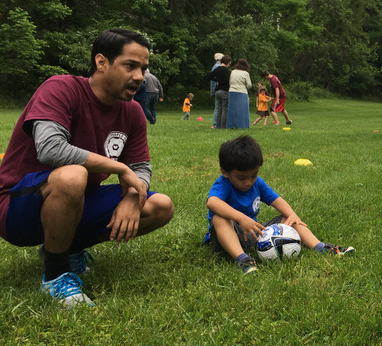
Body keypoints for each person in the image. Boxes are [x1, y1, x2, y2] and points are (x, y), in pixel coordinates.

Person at [0, 29, 175, 308]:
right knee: (73, 175)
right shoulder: (61, 87)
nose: (139, 77)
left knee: (160, 206)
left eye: (143, 68)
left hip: (76, 200)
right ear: (101, 62)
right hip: (17, 206)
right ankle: (55, 276)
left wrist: (133, 195)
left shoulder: (132, 111)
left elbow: (140, 166)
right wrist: (118, 169)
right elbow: (51, 149)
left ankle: (67, 249)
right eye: (130, 66)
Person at [204, 135, 354, 274]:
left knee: (288, 218)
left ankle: (320, 247)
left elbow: (277, 200)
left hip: (252, 234)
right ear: (225, 172)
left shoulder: (258, 183)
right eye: (242, 177)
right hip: (227, 238)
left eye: (253, 175)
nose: (248, 182)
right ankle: (243, 260)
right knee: (219, 218)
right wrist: (241, 218)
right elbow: (212, 202)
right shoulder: (223, 184)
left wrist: (292, 215)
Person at [207, 55, 231, 129]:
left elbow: (209, 76)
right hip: (224, 91)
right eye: (229, 64)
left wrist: (217, 80)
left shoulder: (217, 69)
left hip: (217, 91)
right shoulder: (226, 70)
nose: (229, 65)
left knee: (218, 109)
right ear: (227, 63)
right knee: (225, 109)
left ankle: (217, 126)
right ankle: (223, 126)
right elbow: (228, 81)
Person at [227, 59, 252, 129]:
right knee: (242, 110)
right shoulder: (245, 73)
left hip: (232, 91)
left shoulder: (233, 72)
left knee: (233, 110)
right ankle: (243, 125)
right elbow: (249, 85)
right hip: (242, 92)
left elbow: (230, 82)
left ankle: (231, 125)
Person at [210, 52, 223, 128]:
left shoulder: (215, 66)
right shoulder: (217, 67)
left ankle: (217, 123)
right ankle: (215, 124)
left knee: (218, 107)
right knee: (218, 108)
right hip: (218, 89)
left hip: (216, 90)